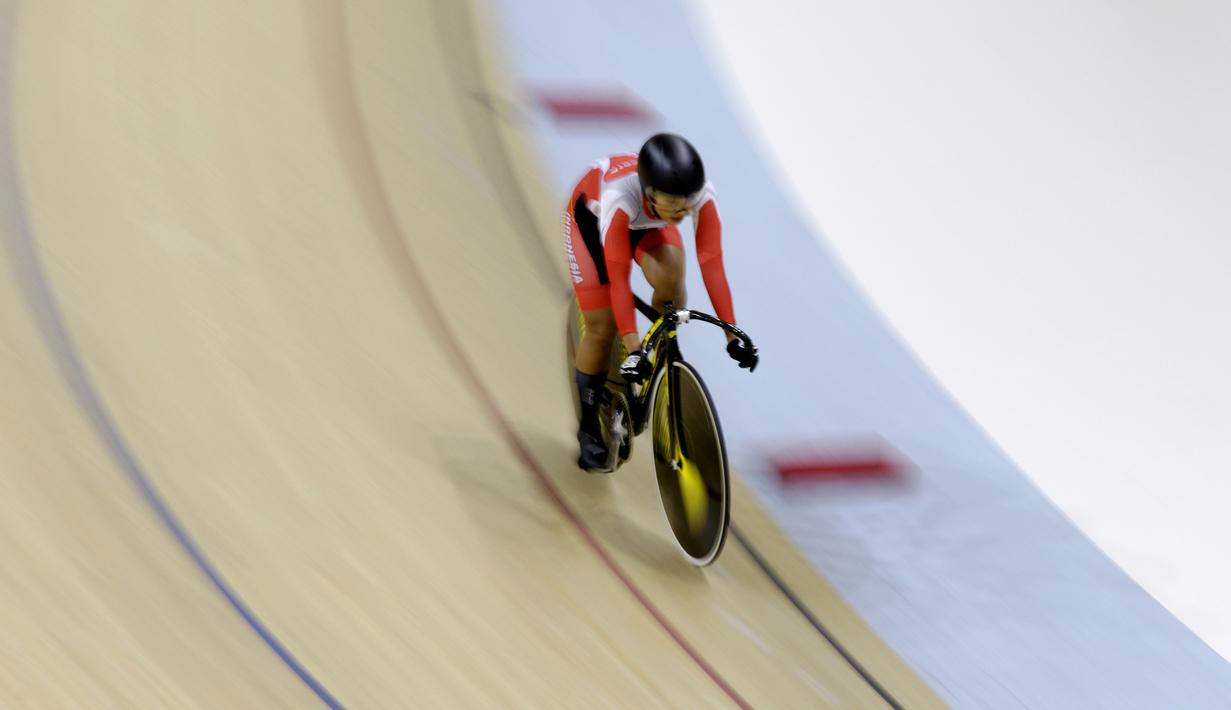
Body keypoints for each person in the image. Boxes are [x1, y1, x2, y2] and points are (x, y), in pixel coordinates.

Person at [562, 132, 758, 471]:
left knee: (671, 280)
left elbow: (712, 264)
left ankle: (662, 350)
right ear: (651, 193)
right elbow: (619, 281)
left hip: (647, 221)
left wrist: (731, 332)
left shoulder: (695, 198)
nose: (683, 210)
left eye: (688, 201)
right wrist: (634, 346)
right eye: (674, 202)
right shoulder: (619, 197)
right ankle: (589, 428)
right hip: (592, 223)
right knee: (601, 326)